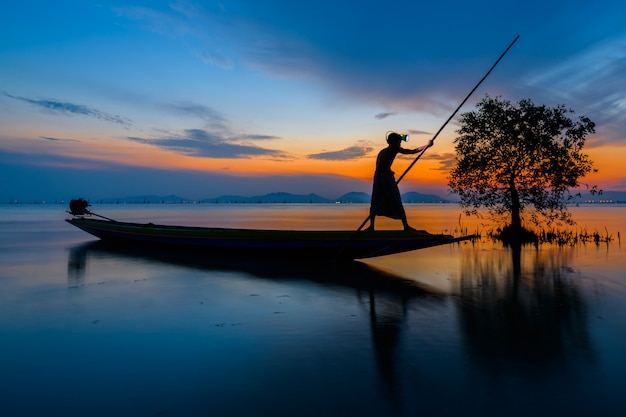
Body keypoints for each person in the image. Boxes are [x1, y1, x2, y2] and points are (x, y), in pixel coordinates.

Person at [367, 132, 433, 231]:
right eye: (398, 142)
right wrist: (427, 146)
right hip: (381, 179)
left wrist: (427, 146)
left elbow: (413, 151)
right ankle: (371, 226)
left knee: (395, 200)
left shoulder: (391, 150)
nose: (400, 144)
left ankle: (405, 226)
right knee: (376, 201)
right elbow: (412, 151)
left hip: (385, 178)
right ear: (392, 142)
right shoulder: (388, 150)